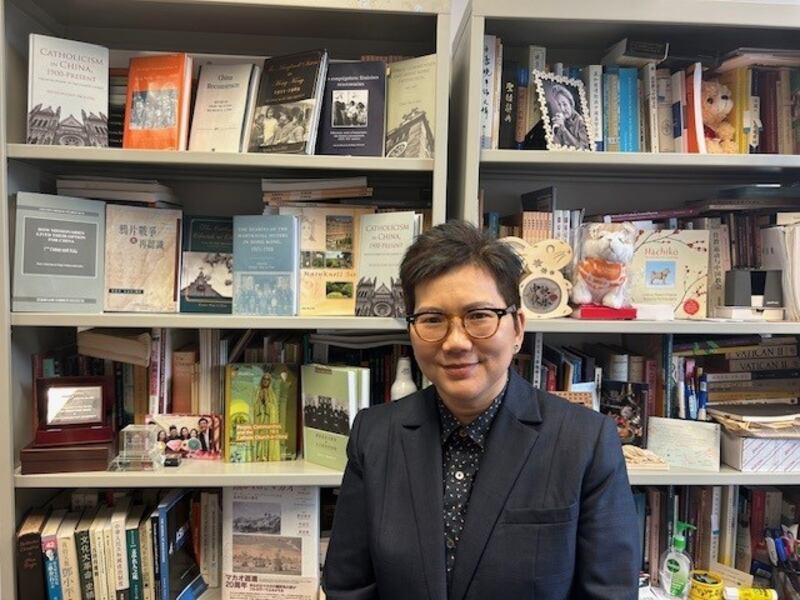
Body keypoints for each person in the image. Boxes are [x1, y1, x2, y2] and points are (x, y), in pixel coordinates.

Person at [322, 221, 639, 600]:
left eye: (479, 316)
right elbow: (348, 588)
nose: (456, 342)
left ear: (518, 328)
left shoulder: (585, 442)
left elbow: (609, 594)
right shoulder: (374, 435)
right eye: (432, 319)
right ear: (411, 330)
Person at [548, 83, 591, 150]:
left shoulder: (581, 122)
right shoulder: (562, 121)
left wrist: (564, 130)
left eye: (565, 104)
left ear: (571, 103)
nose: (562, 109)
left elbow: (583, 149)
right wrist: (553, 131)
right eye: (559, 105)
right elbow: (555, 148)